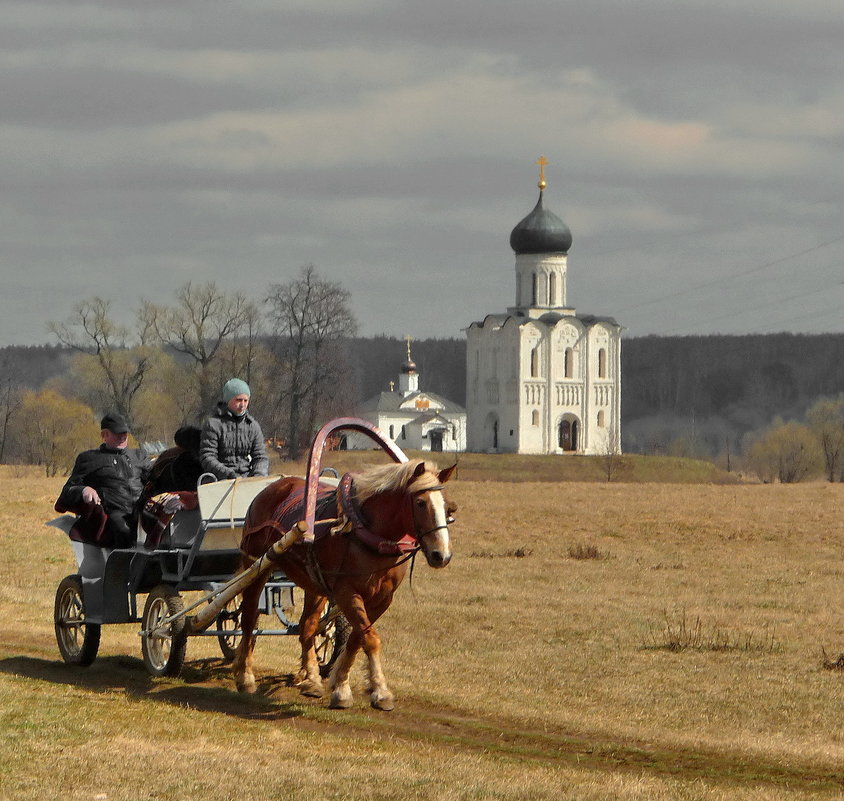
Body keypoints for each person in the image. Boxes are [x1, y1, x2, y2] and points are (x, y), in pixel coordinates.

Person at [56, 412, 152, 548]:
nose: (122, 437)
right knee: (123, 529)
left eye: (124, 433)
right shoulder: (89, 459)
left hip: (143, 508)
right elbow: (67, 491)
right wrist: (84, 490)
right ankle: (122, 567)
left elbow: (154, 480)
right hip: (114, 511)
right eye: (117, 433)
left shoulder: (139, 456)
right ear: (104, 435)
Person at [199, 378, 269, 480]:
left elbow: (261, 456)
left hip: (247, 479)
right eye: (239, 400)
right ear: (228, 400)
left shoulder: (253, 426)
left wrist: (258, 475)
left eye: (246, 400)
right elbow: (207, 457)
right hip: (218, 479)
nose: (242, 405)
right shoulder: (213, 424)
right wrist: (229, 474)